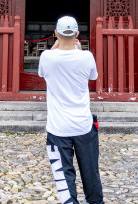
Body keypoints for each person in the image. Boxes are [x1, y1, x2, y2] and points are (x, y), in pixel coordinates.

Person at [38, 15, 104, 204]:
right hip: (83, 125)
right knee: (91, 174)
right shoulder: (86, 57)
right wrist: (80, 51)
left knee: (64, 180)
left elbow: (43, 73)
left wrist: (55, 47)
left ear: (55, 33)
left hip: (58, 127)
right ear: (77, 34)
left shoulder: (47, 57)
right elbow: (93, 76)